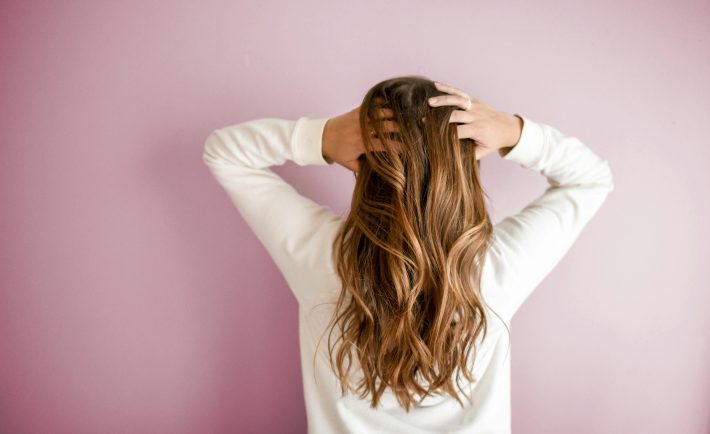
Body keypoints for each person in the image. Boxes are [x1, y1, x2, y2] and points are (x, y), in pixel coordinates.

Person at [202, 76, 614, 433]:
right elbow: (591, 179)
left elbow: (224, 152)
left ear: (362, 162)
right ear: (464, 167)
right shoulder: (494, 269)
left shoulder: (324, 257)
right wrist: (513, 132)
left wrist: (323, 136)